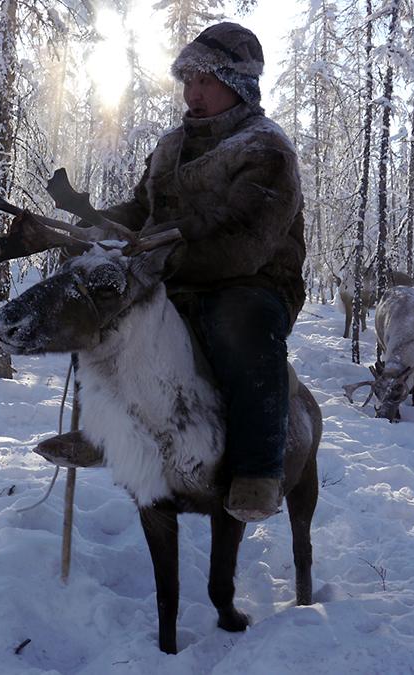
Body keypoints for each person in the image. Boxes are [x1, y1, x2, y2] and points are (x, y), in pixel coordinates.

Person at [98, 22, 306, 522]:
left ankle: (257, 469)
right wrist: (91, 229)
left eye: (205, 81)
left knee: (241, 323)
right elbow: (139, 210)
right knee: (103, 316)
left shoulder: (266, 149)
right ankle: (101, 433)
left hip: (250, 281)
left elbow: (247, 246)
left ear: (238, 85)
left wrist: (159, 258)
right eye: (187, 80)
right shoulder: (172, 146)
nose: (193, 93)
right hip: (171, 272)